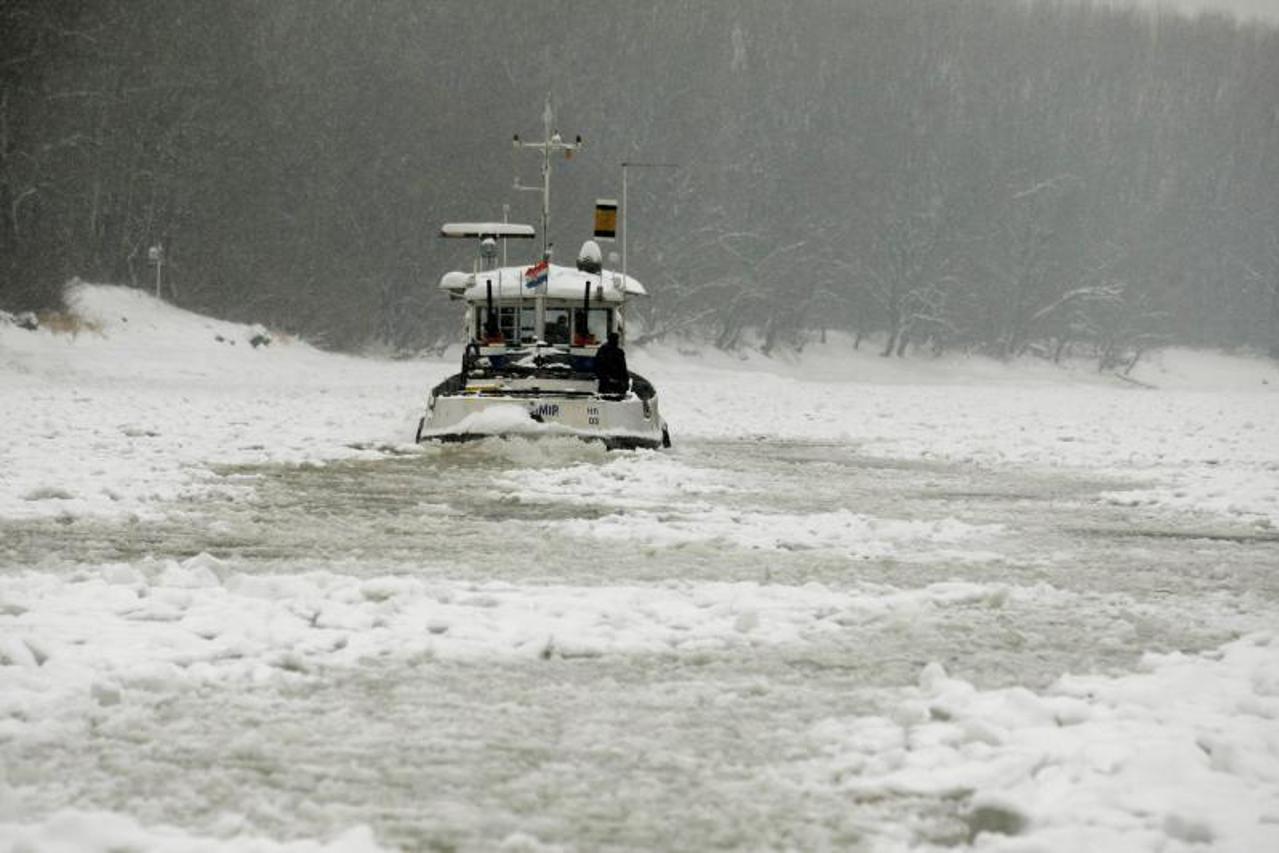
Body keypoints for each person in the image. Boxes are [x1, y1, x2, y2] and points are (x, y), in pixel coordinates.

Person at [594, 331, 629, 396]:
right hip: (616, 383)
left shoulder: (602, 350)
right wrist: (626, 382)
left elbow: (597, 366)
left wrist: (604, 378)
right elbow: (623, 368)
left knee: (603, 400)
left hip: (605, 382)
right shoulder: (619, 352)